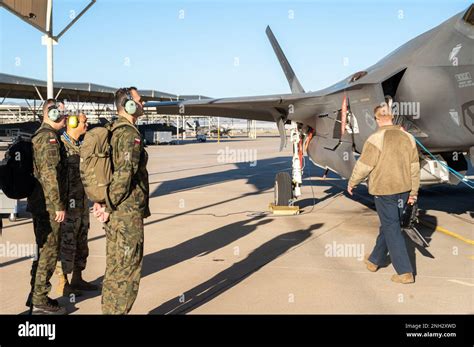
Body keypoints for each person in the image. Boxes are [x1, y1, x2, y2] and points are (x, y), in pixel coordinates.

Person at [347, 103, 420, 284]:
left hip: (384, 191)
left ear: (378, 120)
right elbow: (414, 168)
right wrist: (414, 192)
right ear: (392, 118)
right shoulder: (408, 138)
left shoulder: (375, 139)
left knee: (391, 228)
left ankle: (404, 272)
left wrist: (352, 182)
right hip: (403, 191)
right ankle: (374, 260)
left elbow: (364, 166)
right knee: (389, 225)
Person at [94, 87, 150, 314]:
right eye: (139, 100)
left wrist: (104, 201)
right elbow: (124, 175)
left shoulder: (113, 130)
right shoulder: (130, 135)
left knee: (115, 268)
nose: (143, 103)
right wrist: (108, 205)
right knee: (127, 271)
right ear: (128, 105)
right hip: (125, 213)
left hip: (116, 211)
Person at [26, 99, 67, 313]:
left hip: (40, 204)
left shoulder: (42, 136)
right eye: (61, 112)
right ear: (50, 114)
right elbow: (50, 176)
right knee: (49, 252)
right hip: (48, 206)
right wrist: (58, 205)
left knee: (43, 251)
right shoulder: (48, 138)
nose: (65, 116)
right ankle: (40, 300)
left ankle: (36, 294)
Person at [55, 113, 98, 296]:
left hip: (81, 204)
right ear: (72, 123)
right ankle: (63, 283)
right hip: (67, 206)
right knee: (66, 243)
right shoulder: (61, 146)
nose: (87, 124)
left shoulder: (83, 146)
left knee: (81, 242)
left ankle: (78, 278)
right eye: (84, 122)